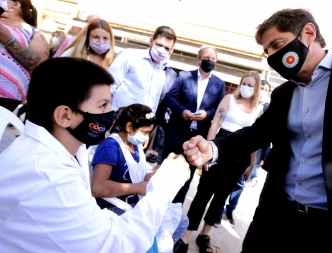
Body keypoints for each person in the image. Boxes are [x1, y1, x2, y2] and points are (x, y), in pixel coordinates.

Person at [183, 8, 332, 252]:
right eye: (267, 51)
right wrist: (212, 148)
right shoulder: (283, 93)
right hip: (276, 215)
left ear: (308, 32)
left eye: (277, 44)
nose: (272, 56)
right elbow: (256, 134)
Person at [0, 57, 190, 253]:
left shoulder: (62, 151)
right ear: (65, 116)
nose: (112, 113)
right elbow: (117, 246)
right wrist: (168, 182)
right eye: (103, 106)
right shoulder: (48, 177)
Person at [174, 71, 262, 253]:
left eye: (250, 85)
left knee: (221, 198)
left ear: (257, 88)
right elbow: (215, 124)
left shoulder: (258, 109)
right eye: (244, 83)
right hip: (221, 146)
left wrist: (251, 164)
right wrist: (209, 150)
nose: (246, 87)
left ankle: (204, 235)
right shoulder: (229, 99)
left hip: (241, 155)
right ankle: (187, 235)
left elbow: (255, 138)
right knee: (203, 193)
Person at [91, 104, 189, 252]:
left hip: (134, 201)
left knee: (181, 221)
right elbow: (97, 187)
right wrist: (138, 187)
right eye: (145, 132)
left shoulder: (134, 145)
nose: (146, 137)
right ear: (129, 127)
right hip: (113, 206)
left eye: (149, 133)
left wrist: (154, 175)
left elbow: (136, 174)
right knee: (159, 241)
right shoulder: (110, 147)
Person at [163, 45, 225, 205]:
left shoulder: (219, 84)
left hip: (197, 138)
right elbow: (170, 98)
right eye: (206, 58)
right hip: (177, 132)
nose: (210, 61)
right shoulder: (184, 76)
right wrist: (182, 111)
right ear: (198, 59)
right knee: (165, 170)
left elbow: (219, 109)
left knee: (186, 176)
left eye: (213, 59)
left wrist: (207, 115)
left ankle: (175, 210)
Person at [108, 25, 177, 114]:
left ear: (171, 50)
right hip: (116, 118)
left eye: (166, 48)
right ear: (151, 41)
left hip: (142, 124)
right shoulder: (129, 56)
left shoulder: (165, 71)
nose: (161, 50)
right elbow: (109, 86)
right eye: (159, 45)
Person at [0, 0, 49, 112]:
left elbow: (41, 66)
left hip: (6, 98)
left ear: (16, 5)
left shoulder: (33, 32)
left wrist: (8, 40)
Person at [246, 79, 271, 187]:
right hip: (243, 145)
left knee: (247, 181)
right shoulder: (248, 103)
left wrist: (264, 157)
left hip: (257, 152)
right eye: (261, 88)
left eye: (266, 90)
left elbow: (268, 138)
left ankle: (231, 204)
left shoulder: (268, 110)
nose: (263, 91)